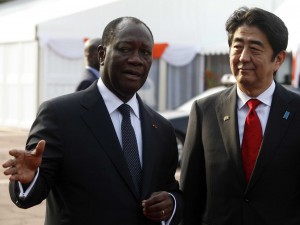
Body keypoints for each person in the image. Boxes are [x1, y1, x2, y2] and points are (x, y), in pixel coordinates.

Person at [2, 17, 183, 225]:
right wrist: (30, 178)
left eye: (145, 52)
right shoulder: (59, 115)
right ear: (102, 54)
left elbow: (171, 190)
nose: (136, 59)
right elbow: (29, 195)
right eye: (125, 49)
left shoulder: (162, 128)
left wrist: (171, 203)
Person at [180, 7, 300, 225]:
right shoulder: (204, 111)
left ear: (278, 59)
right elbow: (190, 195)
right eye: (237, 47)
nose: (243, 57)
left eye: (255, 49)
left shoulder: (296, 111)